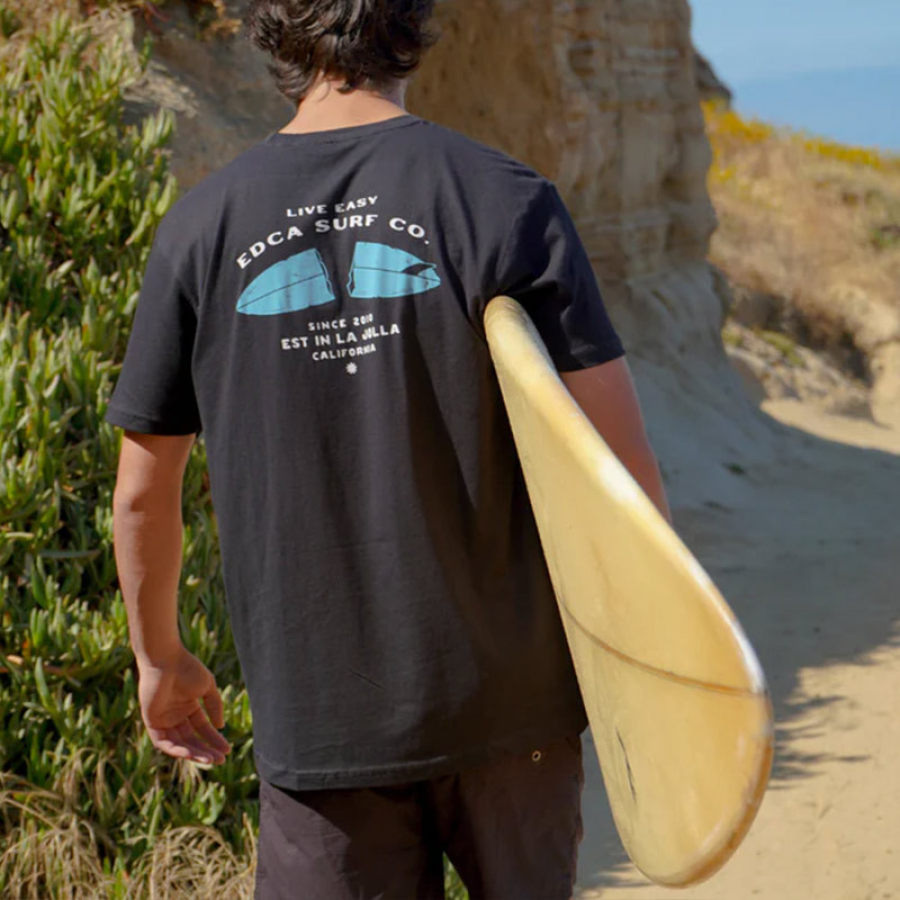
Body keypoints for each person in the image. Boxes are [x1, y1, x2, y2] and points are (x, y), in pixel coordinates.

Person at [104, 1, 671, 897]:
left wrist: (161, 657)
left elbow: (142, 494)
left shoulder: (200, 230)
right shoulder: (504, 197)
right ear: (411, 26)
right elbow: (621, 468)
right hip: (512, 707)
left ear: (274, 36)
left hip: (321, 721)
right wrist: (657, 664)